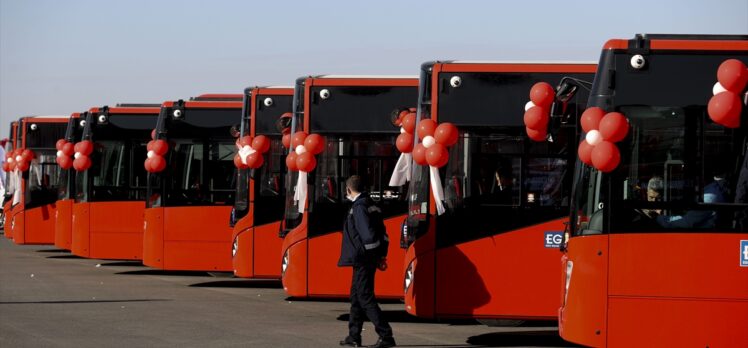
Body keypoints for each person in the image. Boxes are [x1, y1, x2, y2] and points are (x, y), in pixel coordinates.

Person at [338, 175, 395, 348]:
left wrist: (370, 255)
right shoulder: (371, 205)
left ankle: (386, 336)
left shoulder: (359, 207)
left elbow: (368, 235)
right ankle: (354, 336)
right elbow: (383, 234)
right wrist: (380, 255)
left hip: (363, 259)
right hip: (366, 259)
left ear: (348, 190)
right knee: (356, 297)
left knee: (364, 297)